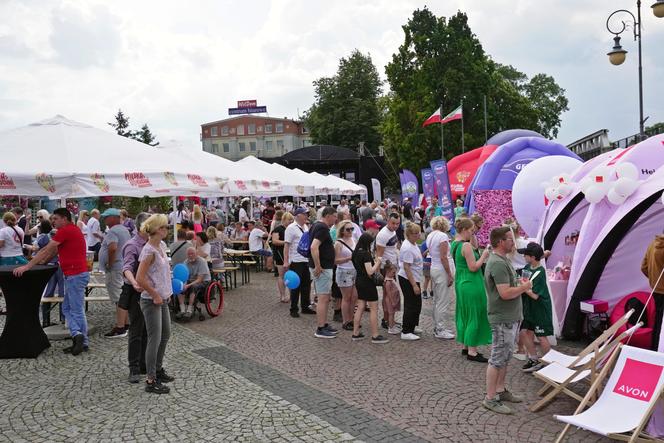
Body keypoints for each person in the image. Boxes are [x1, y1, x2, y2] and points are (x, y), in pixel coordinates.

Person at [14, 208, 90, 356]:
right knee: (67, 308)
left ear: (65, 218)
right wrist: (43, 262)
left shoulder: (65, 230)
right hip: (75, 274)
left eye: (55, 218)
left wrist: (28, 266)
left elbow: (45, 250)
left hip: (75, 275)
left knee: (75, 309)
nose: (52, 221)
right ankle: (79, 337)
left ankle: (81, 339)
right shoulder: (70, 230)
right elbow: (54, 252)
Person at [482, 227, 532, 414]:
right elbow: (504, 293)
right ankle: (490, 397)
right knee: (497, 358)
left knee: (505, 356)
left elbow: (507, 288)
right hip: (502, 318)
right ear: (501, 242)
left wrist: (518, 284)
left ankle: (500, 390)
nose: (514, 242)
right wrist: (524, 287)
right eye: (510, 239)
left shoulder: (503, 260)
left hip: (510, 317)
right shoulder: (497, 263)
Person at [135, 214, 175, 394]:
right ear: (158, 229)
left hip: (163, 297)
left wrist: (167, 292)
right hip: (151, 301)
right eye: (165, 226)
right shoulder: (149, 250)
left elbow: (163, 273)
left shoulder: (161, 246)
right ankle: (150, 379)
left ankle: (158, 370)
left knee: (165, 334)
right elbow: (139, 278)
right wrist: (154, 294)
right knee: (154, 339)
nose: (167, 229)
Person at [451, 217, 491, 361]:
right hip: (471, 282)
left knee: (465, 313)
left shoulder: (455, 243)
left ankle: (466, 346)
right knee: (475, 313)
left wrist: (473, 237)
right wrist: (484, 256)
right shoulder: (465, 246)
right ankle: (472, 351)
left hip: (461, 282)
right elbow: (473, 267)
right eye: (471, 231)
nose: (472, 233)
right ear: (463, 230)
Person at [119, 212, 150, 383]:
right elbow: (127, 268)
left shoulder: (150, 244)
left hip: (148, 291)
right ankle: (134, 367)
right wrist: (134, 281)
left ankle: (145, 363)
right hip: (135, 291)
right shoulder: (132, 245)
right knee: (136, 330)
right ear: (142, 227)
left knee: (147, 330)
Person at [518, 242, 553, 372]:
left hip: (540, 309)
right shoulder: (527, 267)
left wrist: (523, 287)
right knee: (524, 332)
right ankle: (534, 358)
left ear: (532, 257)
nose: (523, 257)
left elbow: (536, 296)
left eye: (525, 255)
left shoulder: (540, 272)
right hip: (530, 308)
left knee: (541, 336)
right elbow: (524, 282)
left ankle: (549, 363)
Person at [99, 208, 132, 339]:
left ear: (113, 218)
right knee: (122, 295)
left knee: (118, 298)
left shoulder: (113, 231)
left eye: (107, 217)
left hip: (115, 268)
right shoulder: (124, 230)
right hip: (122, 266)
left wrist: (109, 263)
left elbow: (112, 248)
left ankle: (120, 327)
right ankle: (126, 323)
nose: (105, 220)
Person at [351, 232, 388, 344]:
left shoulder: (355, 253)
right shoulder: (365, 254)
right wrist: (378, 262)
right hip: (367, 283)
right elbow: (370, 271)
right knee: (373, 308)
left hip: (359, 281)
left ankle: (355, 333)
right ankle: (375, 335)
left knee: (360, 306)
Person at [309, 206, 338, 338]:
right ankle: (320, 328)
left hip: (324, 266)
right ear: (328, 216)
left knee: (325, 297)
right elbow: (314, 247)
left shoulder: (317, 226)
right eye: (335, 216)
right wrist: (318, 266)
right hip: (322, 268)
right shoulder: (322, 228)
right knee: (322, 298)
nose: (336, 219)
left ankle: (324, 324)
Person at [427, 216, 456, 340]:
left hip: (435, 268)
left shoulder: (430, 235)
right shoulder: (443, 237)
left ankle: (438, 326)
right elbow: (443, 257)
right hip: (442, 270)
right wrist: (449, 274)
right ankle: (440, 328)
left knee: (437, 300)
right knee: (442, 301)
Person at [283, 207, 314, 317]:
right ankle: (293, 309)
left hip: (306, 260)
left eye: (307, 214)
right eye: (305, 214)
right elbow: (286, 245)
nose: (307, 216)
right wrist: (286, 261)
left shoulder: (305, 226)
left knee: (306, 285)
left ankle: (305, 306)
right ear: (298, 215)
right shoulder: (291, 228)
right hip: (296, 260)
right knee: (295, 286)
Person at [35, 219, 65, 325]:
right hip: (61, 265)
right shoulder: (62, 235)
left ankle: (46, 320)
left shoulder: (43, 237)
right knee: (63, 291)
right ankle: (63, 318)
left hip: (48, 267)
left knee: (48, 291)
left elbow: (38, 249)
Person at [398, 222, 424, 341]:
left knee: (417, 303)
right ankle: (406, 330)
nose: (419, 235)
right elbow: (407, 267)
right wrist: (414, 285)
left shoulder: (412, 244)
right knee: (410, 304)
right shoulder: (408, 247)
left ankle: (412, 325)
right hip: (408, 279)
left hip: (414, 277)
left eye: (419, 232)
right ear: (409, 234)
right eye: (416, 234)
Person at [334, 220, 358, 330]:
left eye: (351, 229)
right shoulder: (338, 243)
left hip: (354, 270)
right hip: (344, 271)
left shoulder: (353, 239)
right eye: (348, 229)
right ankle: (345, 321)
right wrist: (349, 258)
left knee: (354, 297)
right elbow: (336, 261)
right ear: (342, 231)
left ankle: (351, 319)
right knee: (346, 297)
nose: (350, 231)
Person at [175, 247, 212, 320]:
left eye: (192, 254)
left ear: (196, 254)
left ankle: (189, 309)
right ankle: (182, 309)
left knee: (193, 286)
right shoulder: (186, 262)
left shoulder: (202, 261)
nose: (190, 255)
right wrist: (184, 284)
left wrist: (188, 285)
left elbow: (200, 279)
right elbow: (184, 276)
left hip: (204, 281)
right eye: (189, 254)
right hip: (191, 280)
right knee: (180, 286)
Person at [642, 234, 664, 351]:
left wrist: (654, 280)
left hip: (656, 290)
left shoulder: (652, 244)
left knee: (658, 321)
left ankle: (654, 347)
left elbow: (644, 267)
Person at [272, 211, 292, 303]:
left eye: (292, 220)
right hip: (280, 254)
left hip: (290, 255)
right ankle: (283, 295)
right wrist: (286, 242)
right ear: (284, 219)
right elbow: (274, 241)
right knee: (282, 275)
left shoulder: (292, 229)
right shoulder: (278, 229)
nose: (291, 222)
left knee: (290, 276)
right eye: (289, 220)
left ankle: (292, 295)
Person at [382, 262, 401, 334]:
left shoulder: (391, 279)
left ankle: (392, 325)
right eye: (393, 273)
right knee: (391, 314)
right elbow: (388, 293)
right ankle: (391, 328)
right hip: (390, 300)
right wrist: (392, 301)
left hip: (393, 299)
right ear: (387, 272)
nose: (394, 274)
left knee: (393, 313)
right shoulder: (388, 282)